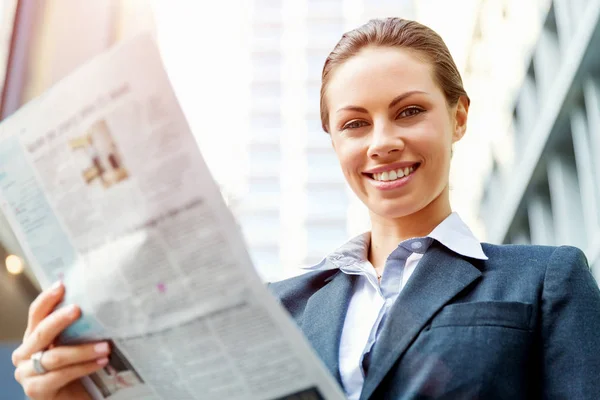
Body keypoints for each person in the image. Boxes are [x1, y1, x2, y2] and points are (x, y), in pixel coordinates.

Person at [11, 17, 600, 400]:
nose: (381, 141)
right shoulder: (275, 305)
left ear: (460, 117)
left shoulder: (546, 278)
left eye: (410, 111)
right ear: (334, 140)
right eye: (354, 123)